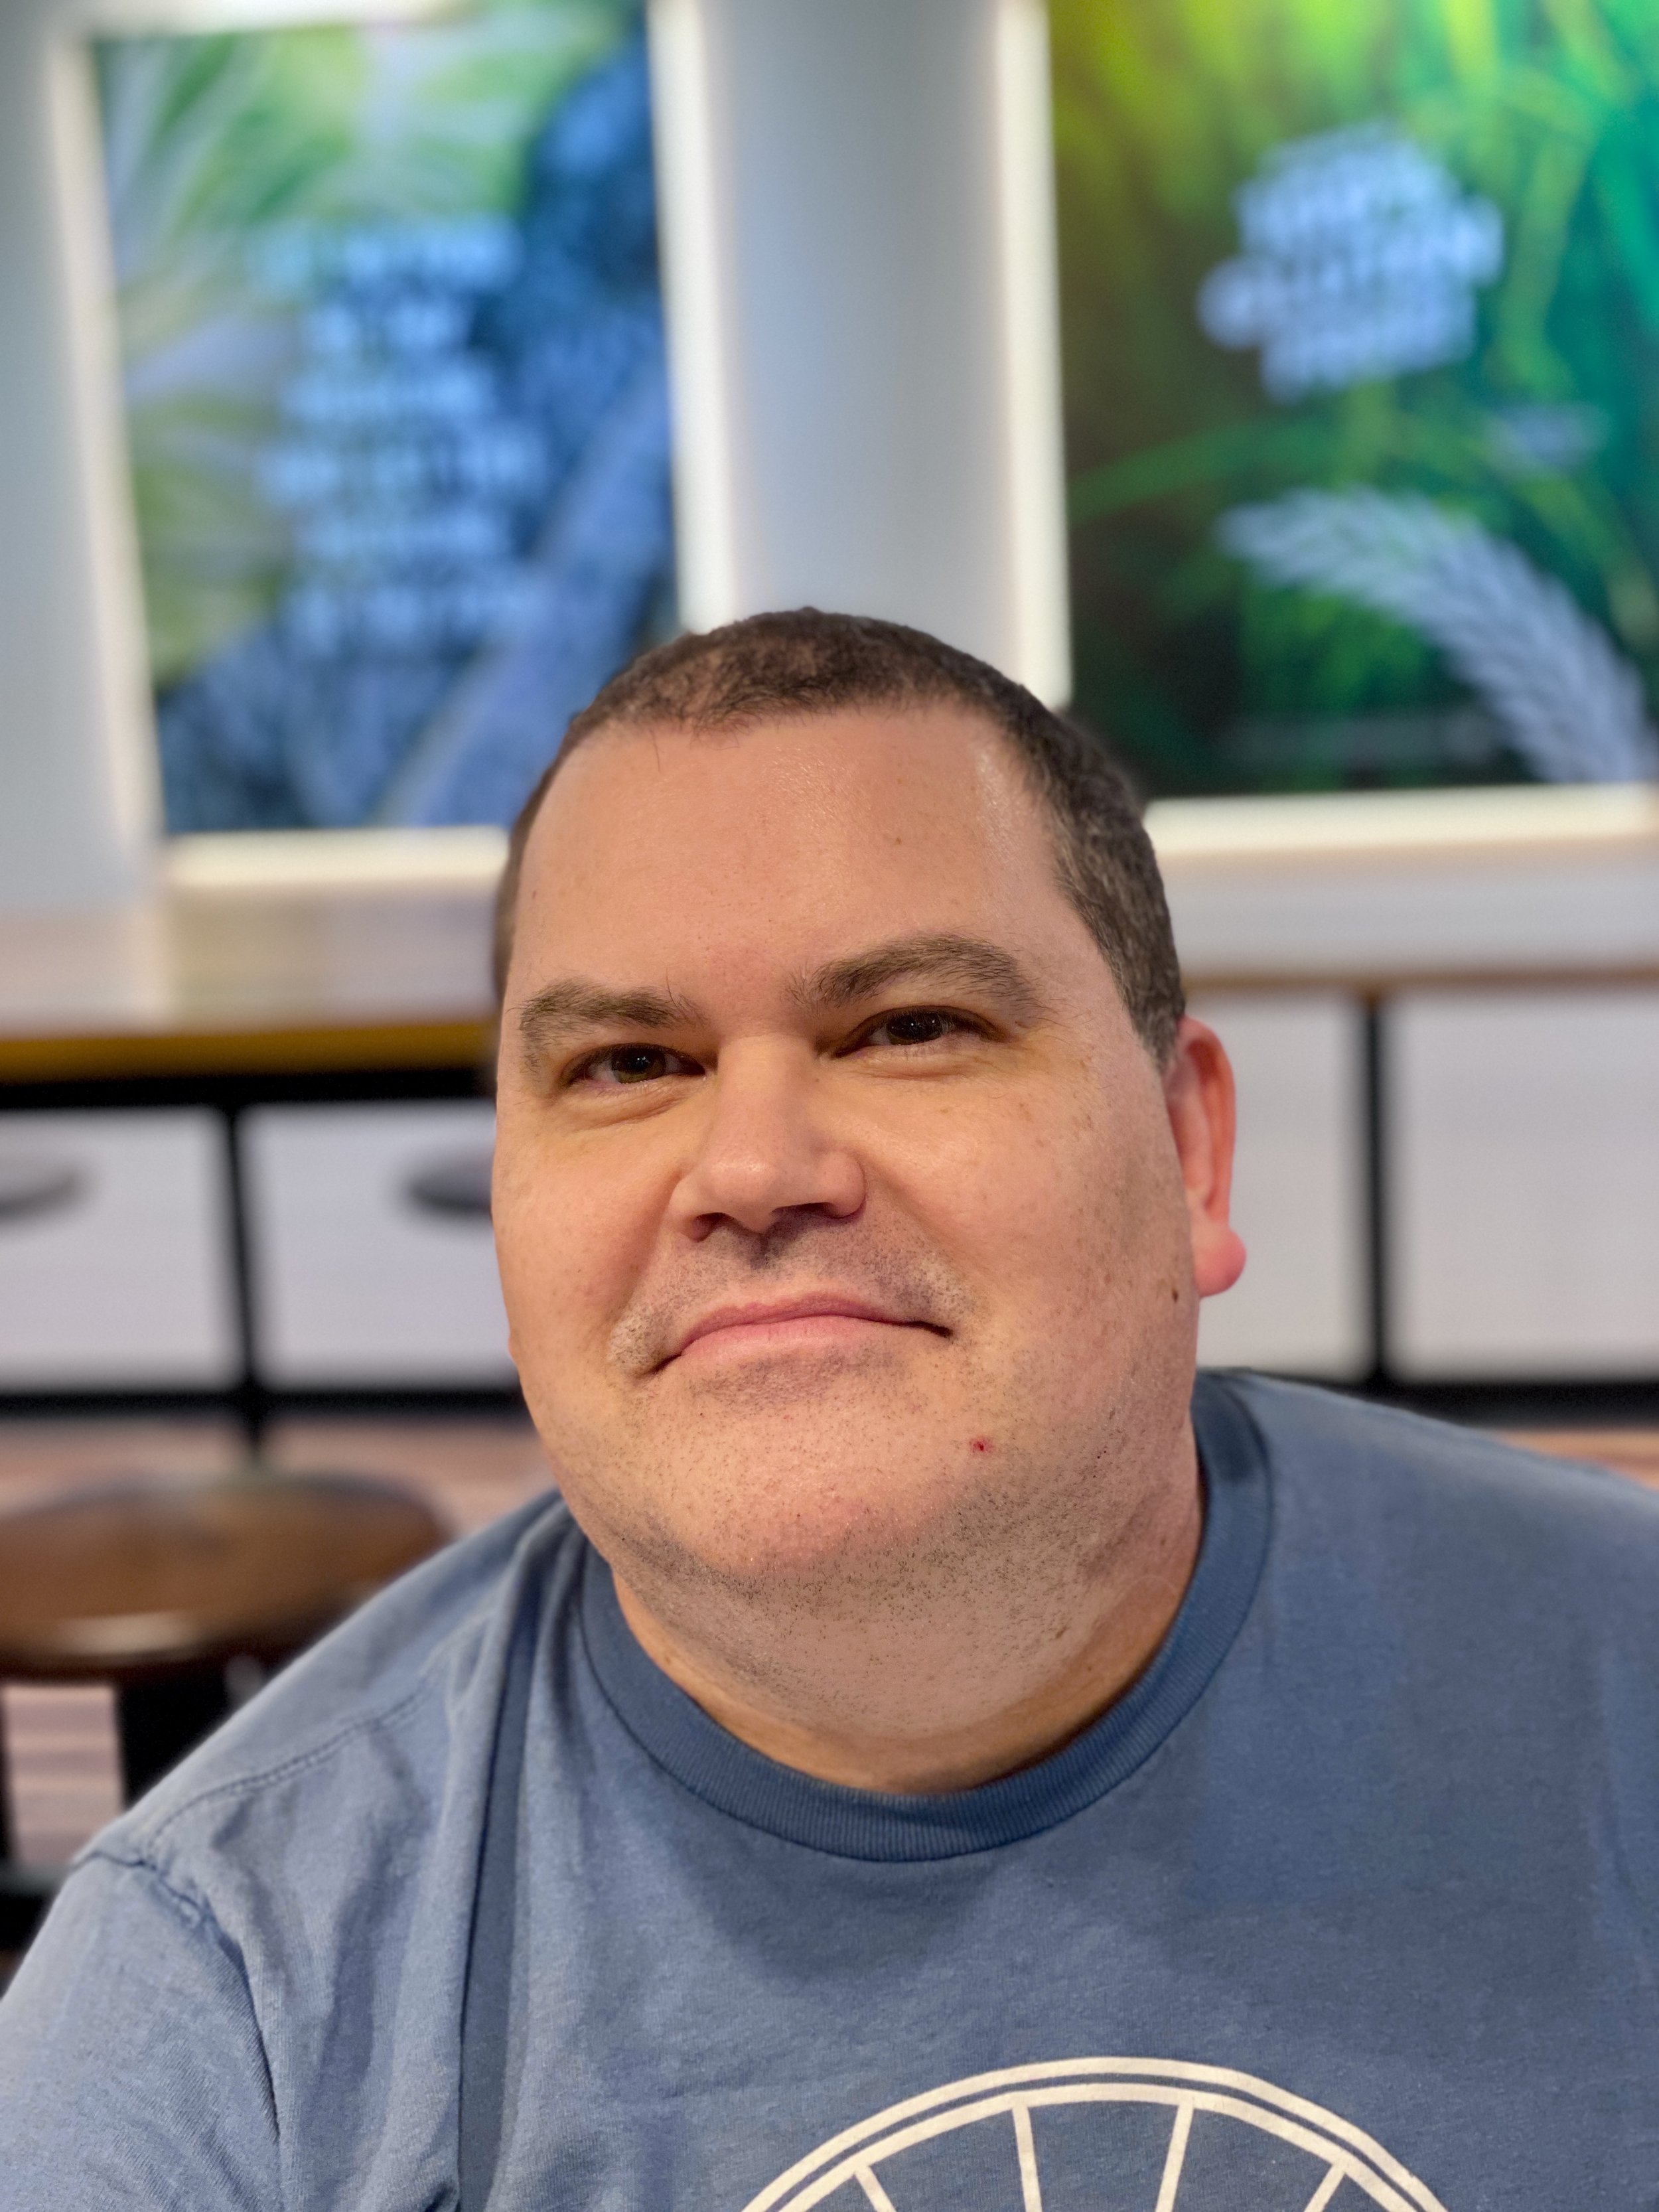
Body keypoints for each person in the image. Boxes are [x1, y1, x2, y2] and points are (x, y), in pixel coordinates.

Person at [2, 610, 1656, 2211]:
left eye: (909, 1027)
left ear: (1187, 1150)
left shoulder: (1619, 1679)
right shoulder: (223, 2004)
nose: (752, 1166)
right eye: (627, 1063)